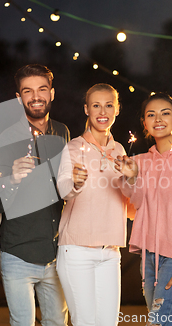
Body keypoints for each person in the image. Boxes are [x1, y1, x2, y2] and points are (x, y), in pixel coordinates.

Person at [115, 93, 172, 326]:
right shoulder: (142, 161)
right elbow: (138, 205)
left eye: (165, 113)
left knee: (159, 323)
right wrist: (133, 178)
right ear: (145, 123)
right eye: (151, 114)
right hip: (149, 257)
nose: (158, 119)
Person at [0, 64, 69, 326]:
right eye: (28, 91)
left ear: (52, 93)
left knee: (57, 322)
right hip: (18, 253)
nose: (36, 96)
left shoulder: (62, 132)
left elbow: (64, 189)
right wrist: (11, 178)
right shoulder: (5, 139)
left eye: (42, 89)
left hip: (56, 252)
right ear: (18, 98)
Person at [56, 83, 130, 326]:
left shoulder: (119, 150)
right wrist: (75, 182)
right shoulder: (74, 147)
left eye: (109, 105)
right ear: (86, 109)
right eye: (96, 105)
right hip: (77, 251)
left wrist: (132, 177)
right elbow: (63, 189)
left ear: (117, 109)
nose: (102, 111)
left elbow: (127, 198)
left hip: (110, 252)